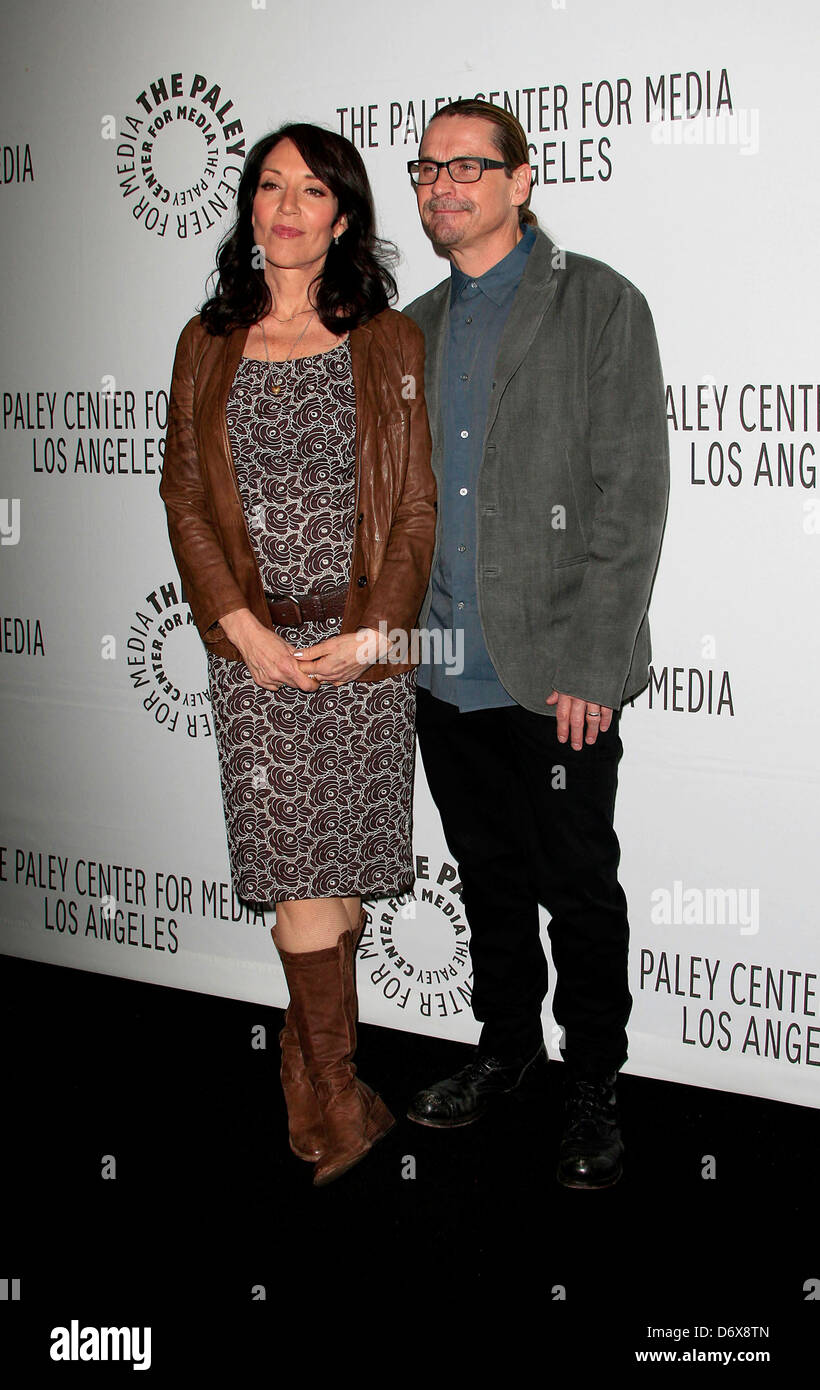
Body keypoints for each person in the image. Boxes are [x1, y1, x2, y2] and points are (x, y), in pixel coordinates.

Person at [159, 123, 436, 1187]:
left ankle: (319, 1075)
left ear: (343, 216)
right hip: (253, 652)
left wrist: (379, 629)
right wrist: (235, 625)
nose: (284, 206)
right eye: (267, 186)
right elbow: (184, 495)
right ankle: (326, 1110)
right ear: (249, 208)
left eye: (310, 190)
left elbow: (413, 505)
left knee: (343, 889)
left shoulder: (387, 341)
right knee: (297, 886)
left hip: (361, 650)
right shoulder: (205, 340)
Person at [403, 99, 669, 1188]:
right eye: (425, 169)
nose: (441, 185)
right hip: (443, 669)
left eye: (467, 166)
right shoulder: (408, 326)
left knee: (577, 884)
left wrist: (590, 667)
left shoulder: (598, 303)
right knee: (487, 880)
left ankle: (592, 1083)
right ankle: (505, 1049)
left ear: (522, 179)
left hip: (559, 674)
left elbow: (630, 498)